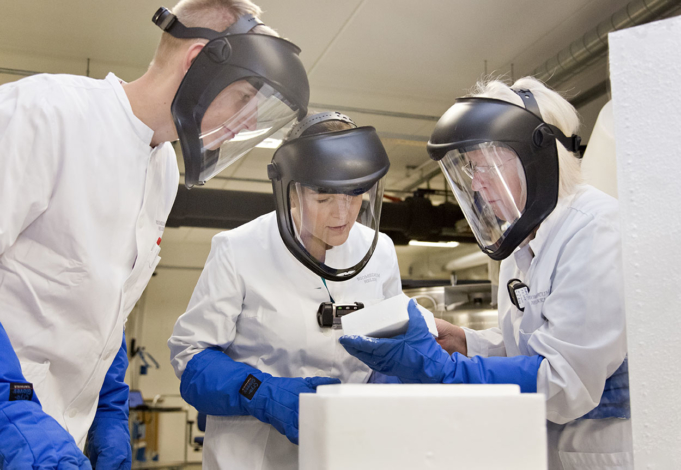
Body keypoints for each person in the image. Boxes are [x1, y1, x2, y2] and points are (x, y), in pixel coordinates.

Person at [0, 1, 310, 468]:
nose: (247, 121)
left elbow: (107, 308)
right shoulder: (44, 113)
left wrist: (106, 409)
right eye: (245, 96)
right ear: (197, 63)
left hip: (61, 437)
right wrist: (9, 405)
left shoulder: (161, 166)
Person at [340, 77, 632, 470]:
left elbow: (566, 383)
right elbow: (530, 345)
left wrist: (446, 372)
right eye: (472, 170)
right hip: (544, 447)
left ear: (538, 158)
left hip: (602, 452)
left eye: (486, 166)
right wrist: (464, 342)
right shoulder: (522, 235)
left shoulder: (596, 229)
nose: (476, 185)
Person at [168, 111, 403, 470]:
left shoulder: (380, 250)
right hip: (252, 455)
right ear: (291, 190)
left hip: (350, 448)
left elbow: (389, 340)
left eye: (355, 195)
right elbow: (191, 358)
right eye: (324, 199)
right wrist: (260, 393)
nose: (343, 213)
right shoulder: (239, 249)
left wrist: (391, 377)